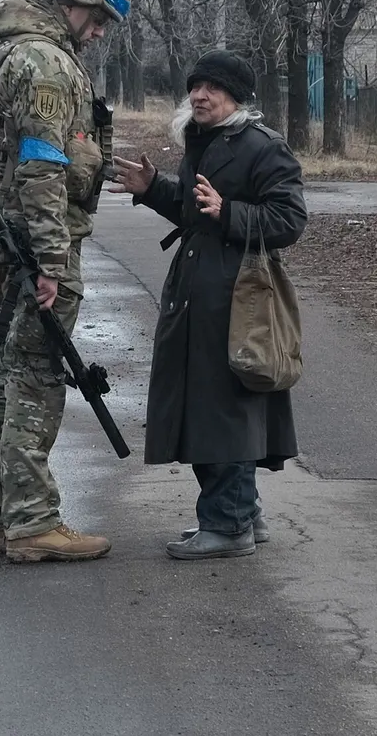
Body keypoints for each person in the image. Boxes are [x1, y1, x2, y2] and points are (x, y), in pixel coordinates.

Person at [0, 0, 132, 563]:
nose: (102, 30)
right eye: (100, 15)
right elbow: (42, 166)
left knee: (3, 379)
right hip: (32, 248)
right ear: (73, 1)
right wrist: (53, 263)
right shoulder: (47, 63)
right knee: (35, 379)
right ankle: (33, 524)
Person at [112, 50, 307, 558]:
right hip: (196, 292)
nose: (199, 95)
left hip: (238, 298)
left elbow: (289, 221)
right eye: (195, 87)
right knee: (205, 407)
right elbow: (192, 208)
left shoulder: (264, 148)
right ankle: (241, 514)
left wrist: (230, 213)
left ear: (236, 97)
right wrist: (153, 188)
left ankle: (229, 524)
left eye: (212, 88)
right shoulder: (204, 140)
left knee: (225, 410)